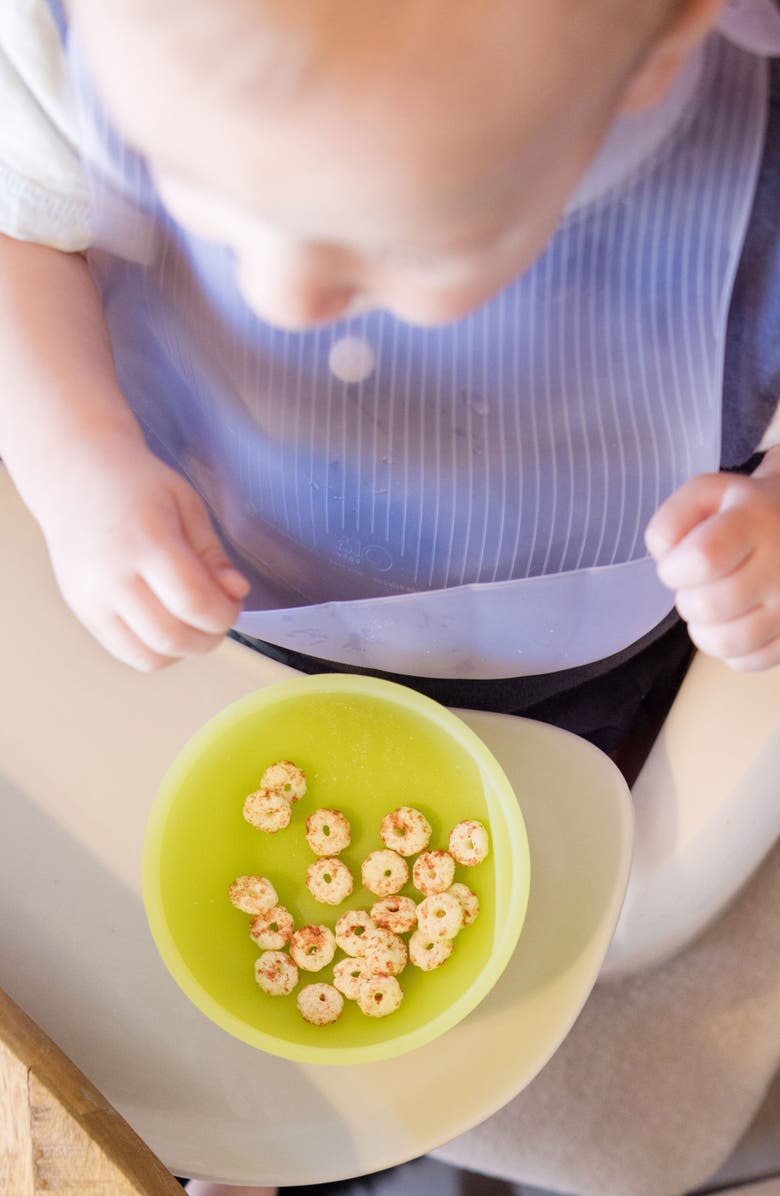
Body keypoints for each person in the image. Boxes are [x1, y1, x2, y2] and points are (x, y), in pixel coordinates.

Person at [0, 1, 778, 1193]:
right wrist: (81, 465)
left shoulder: (749, 114)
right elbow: (18, 227)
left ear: (659, 56)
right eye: (190, 183)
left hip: (576, 608)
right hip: (212, 549)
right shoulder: (81, 29)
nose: (284, 293)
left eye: (407, 243)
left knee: (561, 866)